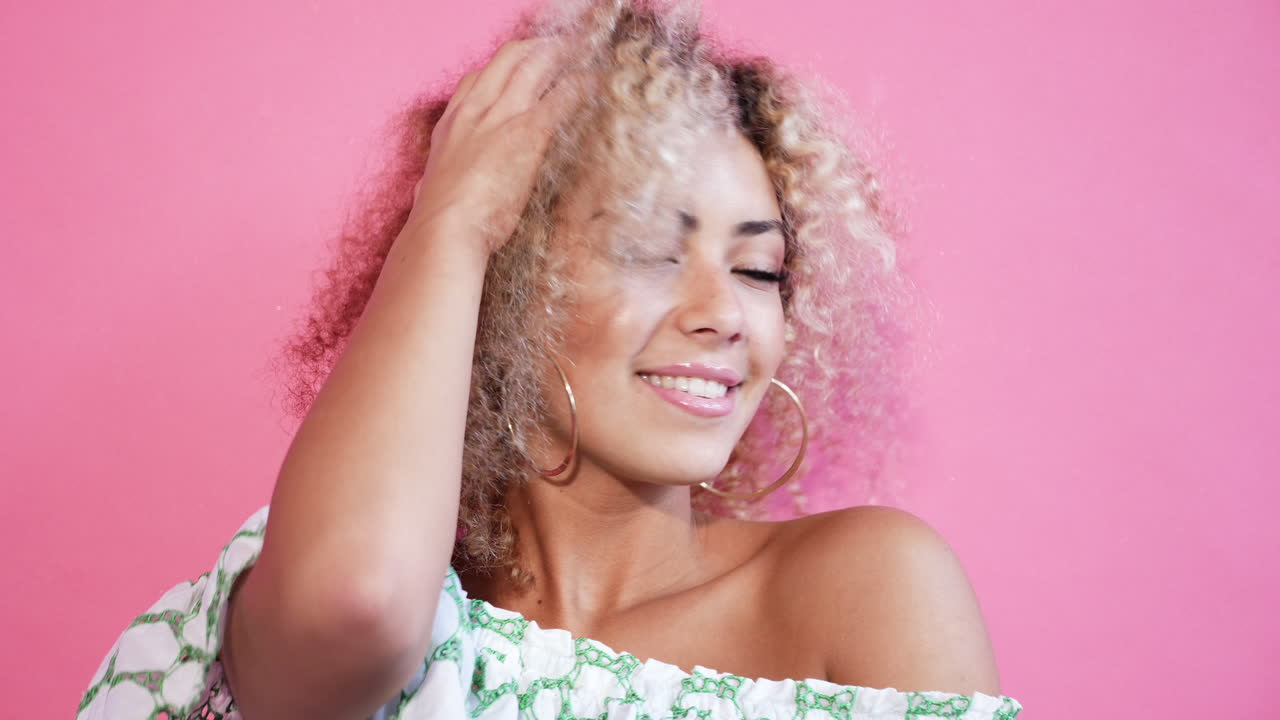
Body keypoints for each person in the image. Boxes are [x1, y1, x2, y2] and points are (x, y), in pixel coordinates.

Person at [77, 1, 1023, 718]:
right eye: (653, 250)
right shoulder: (309, 591)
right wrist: (450, 223)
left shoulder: (861, 586)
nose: (726, 314)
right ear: (507, 285)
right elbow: (354, 601)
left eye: (759, 267)